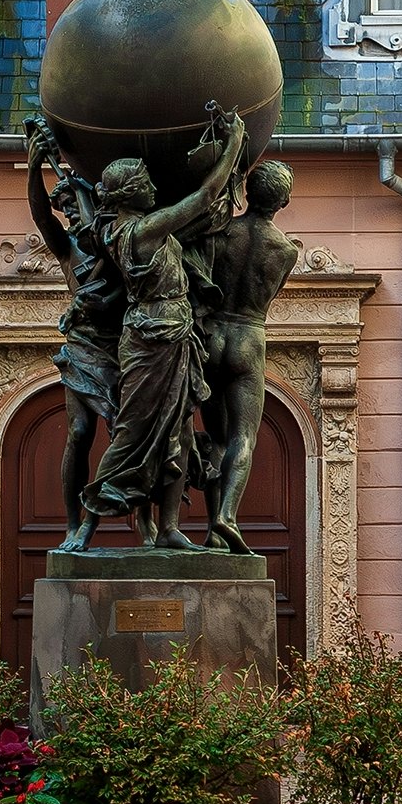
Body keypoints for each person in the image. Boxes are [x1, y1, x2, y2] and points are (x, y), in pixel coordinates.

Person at [80, 105, 250, 550]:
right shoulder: (140, 231)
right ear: (132, 193)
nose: (156, 187)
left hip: (173, 333)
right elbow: (200, 198)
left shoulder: (121, 229)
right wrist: (232, 143)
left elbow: (202, 215)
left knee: (179, 430)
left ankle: (170, 527)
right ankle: (89, 520)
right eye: (147, 183)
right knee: (134, 430)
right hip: (153, 336)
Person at [22, 113, 130, 555]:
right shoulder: (69, 249)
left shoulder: (117, 240)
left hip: (124, 348)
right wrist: (34, 167)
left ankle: (142, 525)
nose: (66, 211)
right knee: (80, 432)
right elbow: (39, 214)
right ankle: (74, 523)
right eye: (63, 206)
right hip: (83, 347)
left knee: (128, 436)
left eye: (72, 203)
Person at [190, 158, 305, 554]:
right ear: (284, 200)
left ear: (249, 192)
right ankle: (227, 516)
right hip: (249, 338)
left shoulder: (220, 235)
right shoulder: (286, 251)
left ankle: (212, 528)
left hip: (211, 337)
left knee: (217, 437)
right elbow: (268, 297)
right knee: (244, 436)